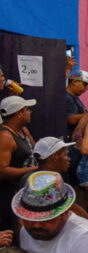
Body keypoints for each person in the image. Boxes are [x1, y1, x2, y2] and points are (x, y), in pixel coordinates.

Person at [0, 96, 37, 231]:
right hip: (8, 195)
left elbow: (35, 150)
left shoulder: (23, 131)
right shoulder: (5, 136)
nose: (30, 112)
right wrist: (33, 170)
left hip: (24, 191)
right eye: (27, 109)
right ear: (18, 113)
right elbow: (2, 171)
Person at [66, 69, 88, 141]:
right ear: (74, 82)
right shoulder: (66, 97)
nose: (86, 88)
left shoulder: (75, 97)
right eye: (85, 84)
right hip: (68, 139)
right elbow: (70, 119)